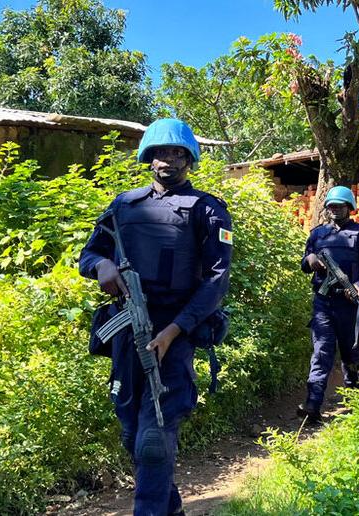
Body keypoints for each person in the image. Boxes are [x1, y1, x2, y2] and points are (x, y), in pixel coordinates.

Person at [79, 118, 232, 515]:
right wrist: (102, 266)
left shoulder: (208, 210)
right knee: (132, 433)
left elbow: (216, 281)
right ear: (148, 158)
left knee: (153, 439)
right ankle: (172, 508)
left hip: (174, 333)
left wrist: (173, 331)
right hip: (126, 328)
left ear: (189, 159)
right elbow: (88, 255)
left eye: (177, 153)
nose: (168, 160)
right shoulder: (124, 205)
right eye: (161, 152)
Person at [297, 186, 359, 423]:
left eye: (340, 206)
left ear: (350, 207)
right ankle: (312, 405)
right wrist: (310, 260)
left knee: (351, 354)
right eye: (331, 206)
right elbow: (304, 263)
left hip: (351, 306)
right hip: (324, 303)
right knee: (321, 353)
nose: (335, 210)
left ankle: (354, 401)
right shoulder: (317, 235)